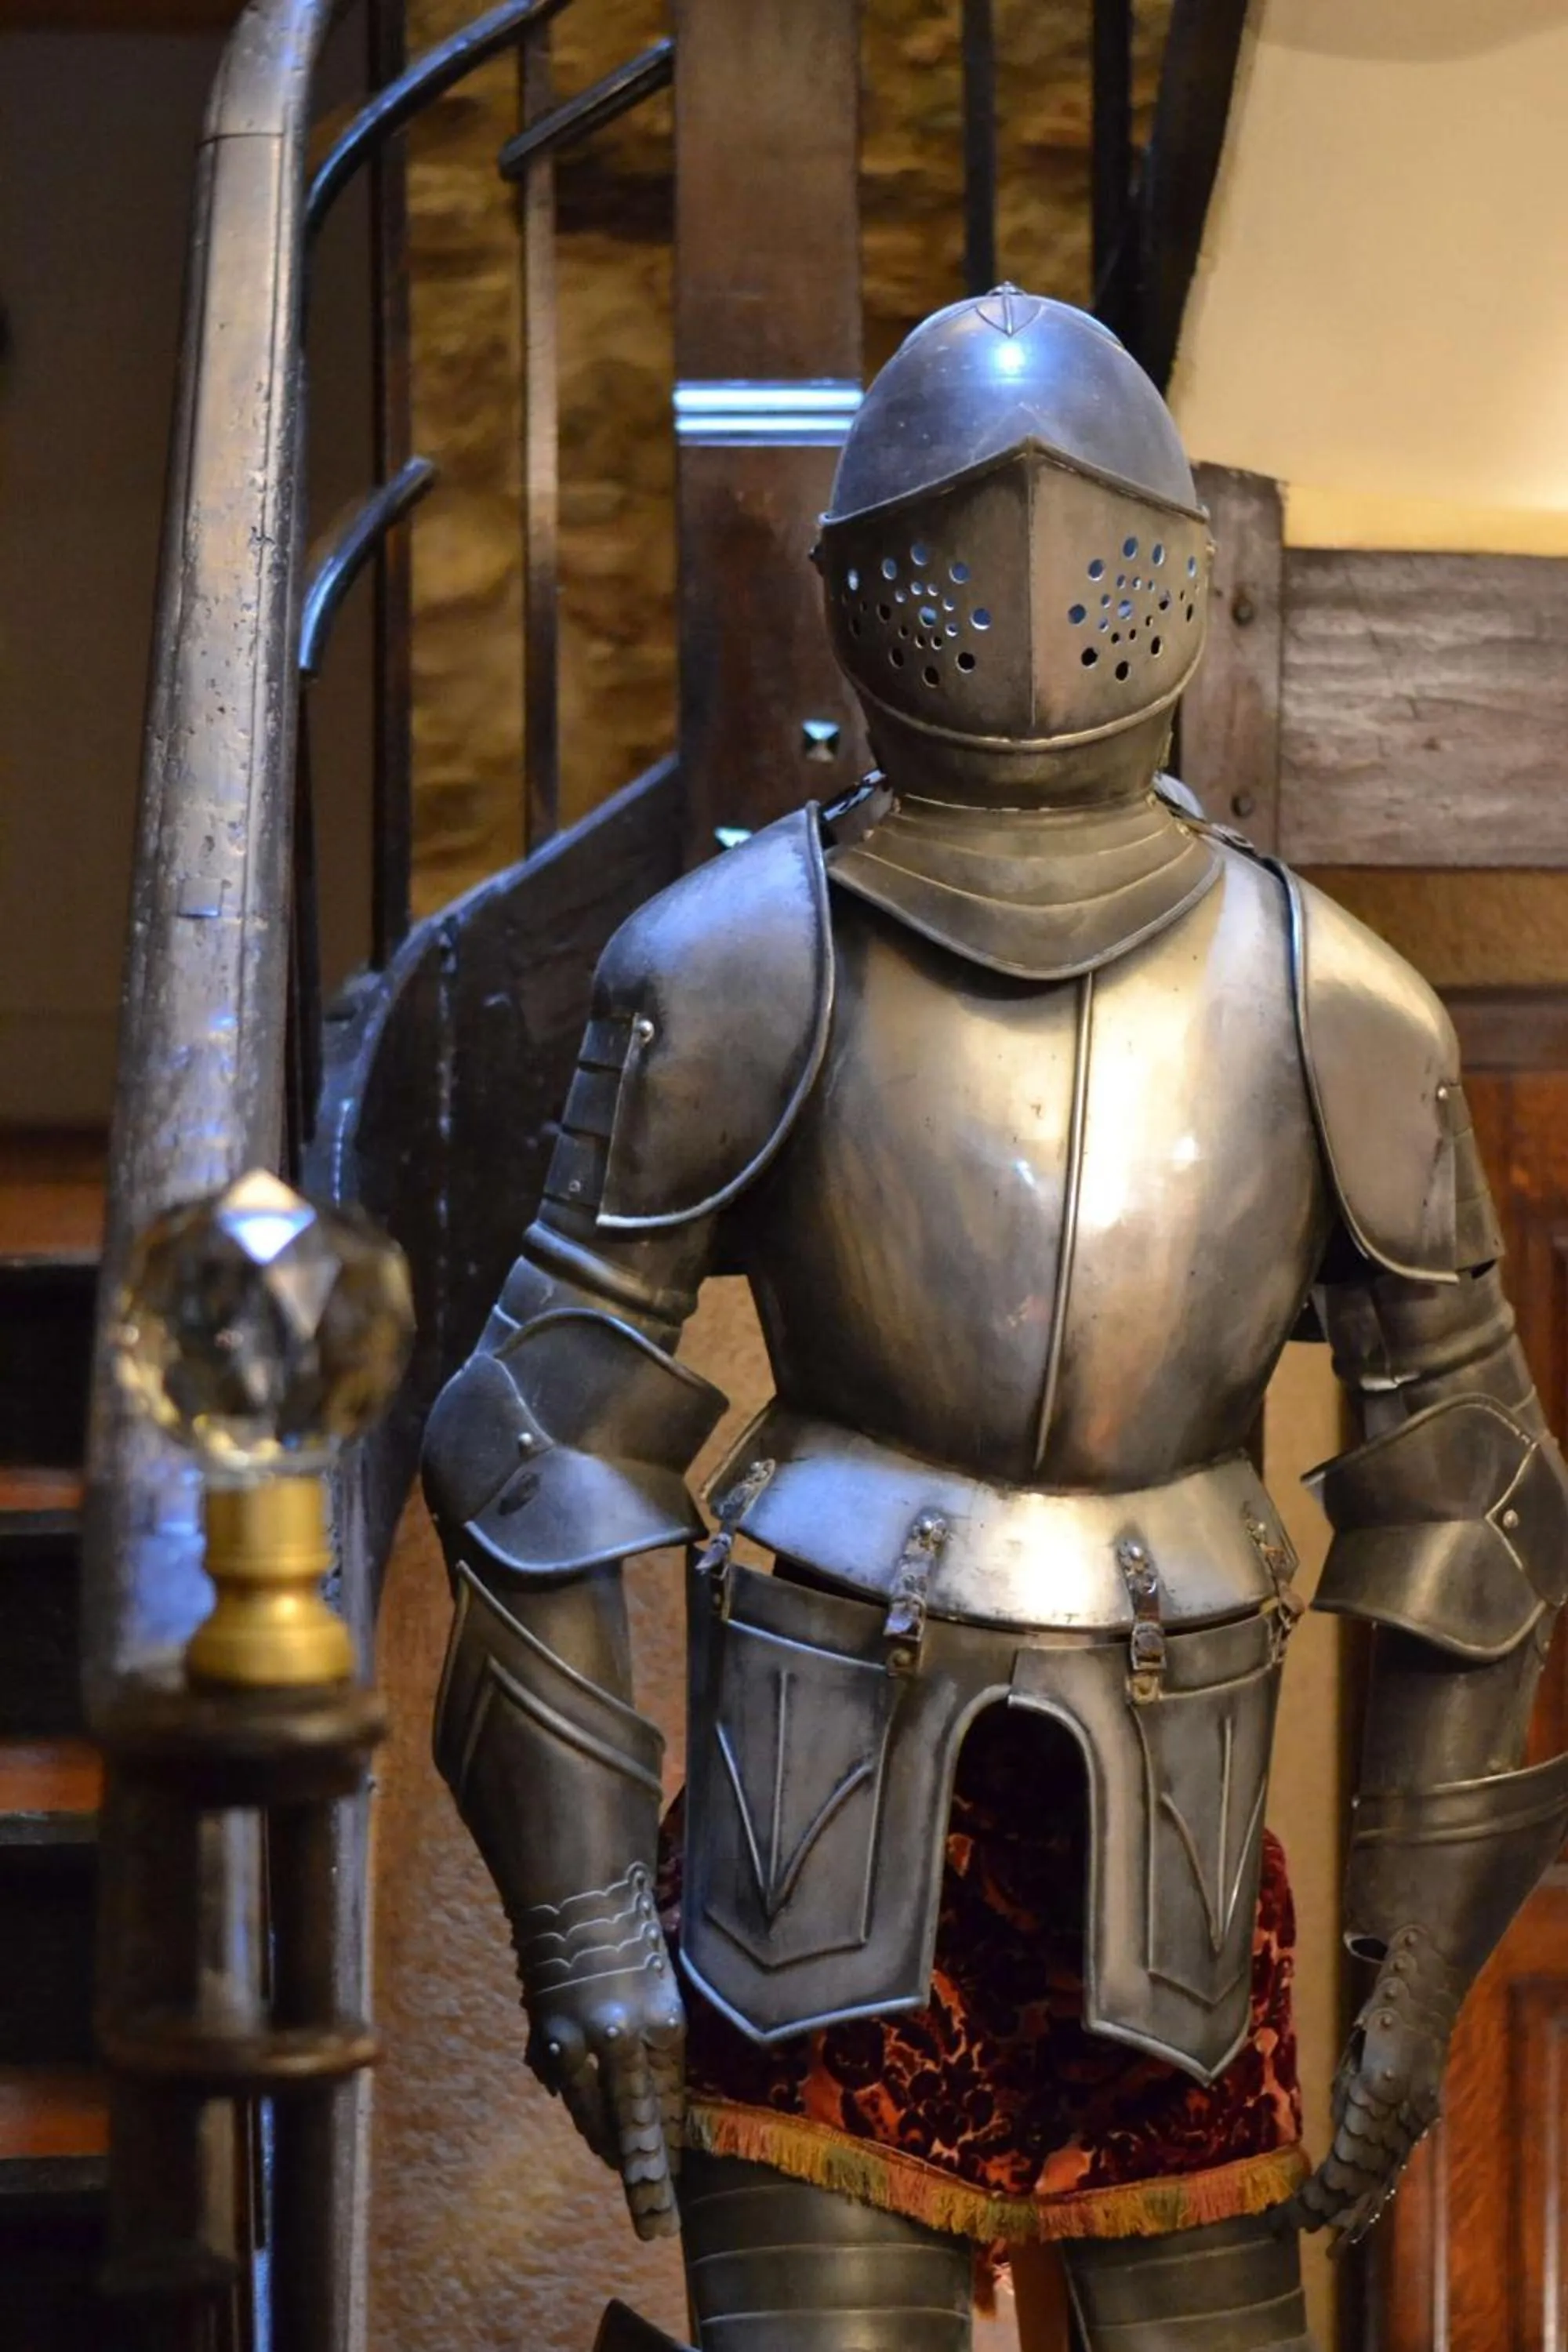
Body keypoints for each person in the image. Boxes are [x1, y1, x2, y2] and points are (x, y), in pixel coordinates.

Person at [422, 287, 1568, 2350]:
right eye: (976, 555)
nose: (1034, 602)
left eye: (1090, 559)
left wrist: (1417, 1970)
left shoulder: (1334, 998)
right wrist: (583, 1928)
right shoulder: (735, 965)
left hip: (1182, 1865)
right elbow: (533, 1444)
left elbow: (1471, 1503)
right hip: (812, 1826)